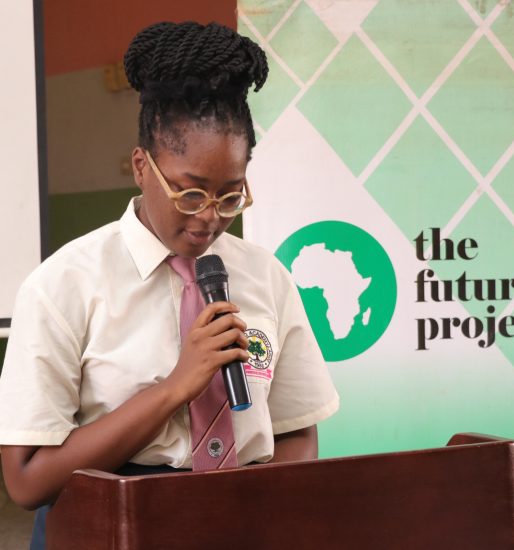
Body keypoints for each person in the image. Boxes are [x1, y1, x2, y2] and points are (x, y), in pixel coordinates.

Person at [0, 21, 339, 548]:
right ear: (142, 167)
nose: (210, 218)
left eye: (230, 196)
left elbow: (295, 431)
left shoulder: (265, 277)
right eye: (190, 194)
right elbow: (27, 480)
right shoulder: (63, 285)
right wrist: (176, 387)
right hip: (110, 527)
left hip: (243, 522)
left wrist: (261, 514)